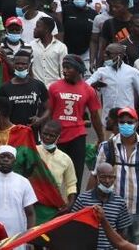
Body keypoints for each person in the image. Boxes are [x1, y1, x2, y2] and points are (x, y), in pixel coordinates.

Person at [92, 107, 139, 244]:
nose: (126, 125)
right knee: (113, 243)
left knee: (136, 245)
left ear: (137, 123)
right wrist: (89, 201)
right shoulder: (107, 147)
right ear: (117, 123)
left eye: (129, 122)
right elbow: (95, 175)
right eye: (122, 122)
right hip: (112, 208)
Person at [40, 54, 106, 188]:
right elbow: (48, 112)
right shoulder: (54, 87)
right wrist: (43, 134)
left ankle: (74, 204)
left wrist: (101, 137)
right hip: (56, 136)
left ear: (78, 70)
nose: (64, 71)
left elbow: (94, 116)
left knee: (75, 175)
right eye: (63, 67)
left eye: (69, 68)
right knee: (53, 173)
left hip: (77, 135)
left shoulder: (88, 90)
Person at [71, 162, 133, 250]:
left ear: (114, 178)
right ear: (96, 178)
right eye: (103, 177)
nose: (107, 181)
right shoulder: (82, 200)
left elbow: (123, 233)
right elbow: (73, 227)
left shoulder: (120, 203)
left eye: (110, 177)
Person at [0, 145, 37, 235]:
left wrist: (29, 236)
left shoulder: (24, 182)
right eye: (3, 156)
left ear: (15, 161)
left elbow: (30, 213)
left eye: (9, 157)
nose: (6, 159)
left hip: (17, 235)